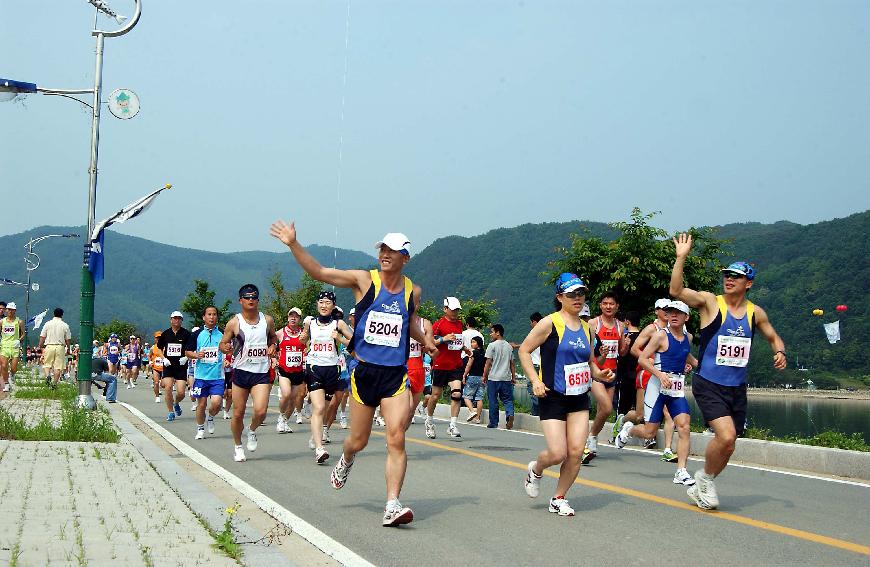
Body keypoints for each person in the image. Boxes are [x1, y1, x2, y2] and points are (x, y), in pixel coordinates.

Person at [270, 222, 437, 527]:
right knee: (357, 441)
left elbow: (409, 321)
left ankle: (391, 505)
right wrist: (294, 243)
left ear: (405, 258)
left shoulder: (413, 291)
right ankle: (346, 460)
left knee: (396, 437)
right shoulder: (364, 281)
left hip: (394, 376)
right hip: (364, 375)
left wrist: (424, 338)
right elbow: (319, 272)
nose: (385, 254)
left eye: (392, 251)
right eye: (382, 249)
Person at [671, 233, 786, 510]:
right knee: (726, 436)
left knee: (730, 445)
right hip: (708, 383)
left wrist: (780, 352)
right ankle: (705, 480)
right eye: (726, 275)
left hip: (737, 387)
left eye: (736, 276)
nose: (729, 279)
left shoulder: (754, 312)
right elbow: (676, 292)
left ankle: (705, 478)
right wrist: (681, 257)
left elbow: (773, 337)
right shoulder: (712, 302)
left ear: (749, 283)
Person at [519, 273, 615, 516]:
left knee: (575, 452)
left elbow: (589, 362)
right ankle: (536, 470)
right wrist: (535, 380)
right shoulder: (549, 323)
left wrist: (599, 374)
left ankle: (559, 497)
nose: (578, 298)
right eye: (572, 294)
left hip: (579, 398)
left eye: (581, 293)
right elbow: (524, 351)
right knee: (557, 452)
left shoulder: (588, 328)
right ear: (560, 297)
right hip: (552, 396)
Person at [615, 301, 698, 486]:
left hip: (675, 389)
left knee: (684, 426)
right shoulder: (660, 335)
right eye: (670, 313)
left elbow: (685, 354)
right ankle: (629, 429)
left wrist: (698, 365)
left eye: (678, 313)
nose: (673, 316)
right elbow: (643, 359)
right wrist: (660, 375)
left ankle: (681, 471)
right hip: (656, 387)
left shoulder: (688, 338)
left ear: (687, 317)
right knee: (649, 431)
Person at [219, 284, 278, 462]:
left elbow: (273, 337)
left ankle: (251, 430)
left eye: (254, 297)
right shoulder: (234, 322)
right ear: (241, 300)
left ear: (258, 300)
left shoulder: (267, 320)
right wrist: (226, 348)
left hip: (261, 372)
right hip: (241, 372)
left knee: (260, 412)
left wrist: (273, 345)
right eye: (247, 297)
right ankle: (238, 446)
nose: (251, 300)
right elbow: (222, 343)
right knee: (238, 413)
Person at [615, 299, 678, 460]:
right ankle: (623, 420)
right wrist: (650, 359)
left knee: (669, 412)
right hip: (647, 374)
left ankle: (667, 449)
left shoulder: (674, 329)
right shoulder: (651, 329)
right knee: (639, 415)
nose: (667, 311)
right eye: (663, 309)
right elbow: (635, 349)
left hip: (667, 376)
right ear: (656, 311)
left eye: (669, 309)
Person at [302, 290, 352, 464]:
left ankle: (316, 436)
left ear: (333, 306)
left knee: (330, 407)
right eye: (321, 302)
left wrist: (340, 338)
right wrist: (303, 336)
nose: (324, 306)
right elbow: (303, 339)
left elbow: (354, 343)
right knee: (319, 407)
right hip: (314, 367)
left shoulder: (339, 324)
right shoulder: (310, 322)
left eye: (328, 303)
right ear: (317, 304)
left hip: (333, 370)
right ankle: (319, 448)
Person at [584, 292, 629, 463]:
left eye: (612, 304)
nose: (608, 306)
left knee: (606, 410)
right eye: (605, 303)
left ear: (617, 306)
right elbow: (590, 354)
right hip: (596, 372)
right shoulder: (593, 324)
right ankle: (591, 438)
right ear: (600, 305)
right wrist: (600, 356)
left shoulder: (620, 326)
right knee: (606, 406)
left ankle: (592, 437)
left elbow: (621, 352)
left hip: (612, 373)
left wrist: (625, 346)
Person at [425, 296, 466, 439]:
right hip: (440, 365)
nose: (455, 312)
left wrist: (465, 348)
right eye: (453, 309)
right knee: (435, 396)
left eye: (457, 310)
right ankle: (429, 421)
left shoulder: (460, 324)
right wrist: (443, 339)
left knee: (457, 393)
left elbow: (458, 341)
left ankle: (453, 425)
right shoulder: (438, 324)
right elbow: (429, 343)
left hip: (456, 365)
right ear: (445, 309)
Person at [185, 307, 225, 440]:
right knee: (201, 404)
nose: (212, 317)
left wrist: (228, 355)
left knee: (217, 403)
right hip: (201, 377)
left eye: (214, 314)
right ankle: (200, 428)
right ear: (204, 317)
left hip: (217, 376)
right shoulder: (197, 334)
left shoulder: (223, 334)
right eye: (209, 314)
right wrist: (196, 355)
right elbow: (187, 352)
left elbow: (229, 349)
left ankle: (211, 417)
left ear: (217, 317)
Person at [156, 312, 192, 422]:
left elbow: (191, 349)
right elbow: (159, 348)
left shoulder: (186, 334)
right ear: (171, 320)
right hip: (168, 365)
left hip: (181, 366)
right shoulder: (165, 334)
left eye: (179, 318)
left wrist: (186, 357)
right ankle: (170, 412)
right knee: (168, 388)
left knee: (181, 392)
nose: (177, 320)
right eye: (174, 318)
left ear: (181, 320)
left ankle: (176, 403)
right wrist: (164, 359)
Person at [276, 307, 305, 434]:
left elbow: (309, 346)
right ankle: (280, 417)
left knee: (294, 399)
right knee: (286, 394)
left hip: (298, 371)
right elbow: (270, 342)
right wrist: (272, 356)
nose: (293, 318)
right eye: (291, 316)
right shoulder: (280, 333)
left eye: (296, 316)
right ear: (288, 318)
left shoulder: (304, 334)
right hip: (284, 370)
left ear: (299, 319)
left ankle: (285, 421)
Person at [483, 324, 516, 429]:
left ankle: (493, 422)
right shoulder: (509, 346)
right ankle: (509, 414)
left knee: (493, 400)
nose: (491, 334)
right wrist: (513, 377)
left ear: (498, 333)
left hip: (493, 378)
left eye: (492, 332)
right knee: (508, 399)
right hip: (506, 378)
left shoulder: (491, 346)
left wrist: (484, 376)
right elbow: (512, 363)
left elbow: (488, 363)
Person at [405, 306, 433, 429]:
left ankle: (397, 437)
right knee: (407, 407)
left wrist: (427, 346)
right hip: (401, 367)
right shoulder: (398, 321)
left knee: (411, 413)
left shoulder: (425, 323)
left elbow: (431, 346)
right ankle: (394, 438)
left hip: (418, 368)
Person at [38, 308, 72, 387]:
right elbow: (68, 339)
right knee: (58, 367)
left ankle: (47, 375)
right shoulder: (65, 325)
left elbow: (42, 336)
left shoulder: (47, 324)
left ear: (54, 314)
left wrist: (40, 345)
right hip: (60, 347)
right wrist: (68, 348)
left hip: (49, 346)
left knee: (46, 364)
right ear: (62, 315)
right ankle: (54, 384)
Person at [0, 302, 25, 393]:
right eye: (9, 309)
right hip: (4, 346)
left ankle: (12, 374)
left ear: (15, 311)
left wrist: (19, 340)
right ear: (6, 310)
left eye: (12, 310)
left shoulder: (19, 321)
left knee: (14, 367)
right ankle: (6, 383)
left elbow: (23, 334)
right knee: (4, 366)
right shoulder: (2, 321)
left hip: (14, 347)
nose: (10, 311)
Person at [461, 336, 486, 423]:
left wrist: (464, 375)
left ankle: (472, 411)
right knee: (479, 398)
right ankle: (478, 418)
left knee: (466, 396)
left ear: (478, 343)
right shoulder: (485, 353)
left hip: (472, 377)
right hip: (482, 378)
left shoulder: (473, 353)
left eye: (474, 342)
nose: (472, 344)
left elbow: (469, 365)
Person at [149, 332, 164, 403]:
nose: (158, 339)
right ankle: (157, 396)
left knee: (164, 384)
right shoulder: (153, 347)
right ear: (155, 339)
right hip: (156, 367)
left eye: (160, 338)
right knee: (156, 382)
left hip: (164, 368)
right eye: (157, 338)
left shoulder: (165, 347)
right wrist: (150, 361)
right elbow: (149, 356)